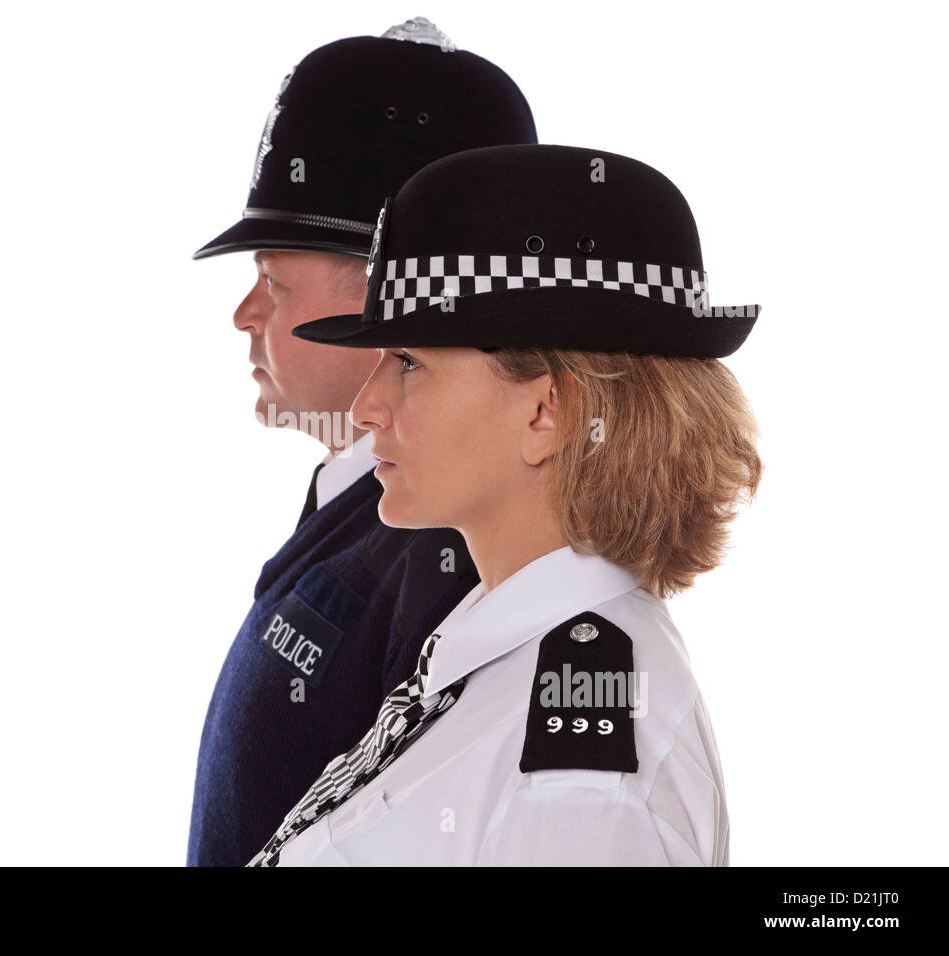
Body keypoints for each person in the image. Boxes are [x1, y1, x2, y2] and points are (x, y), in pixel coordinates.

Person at [248, 143, 762, 866]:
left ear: (545, 412)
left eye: (410, 362)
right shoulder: (494, 652)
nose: (365, 409)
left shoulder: (577, 776)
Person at [186, 19, 539, 867]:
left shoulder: (449, 537)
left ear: (396, 299)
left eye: (273, 278)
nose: (245, 312)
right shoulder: (368, 499)